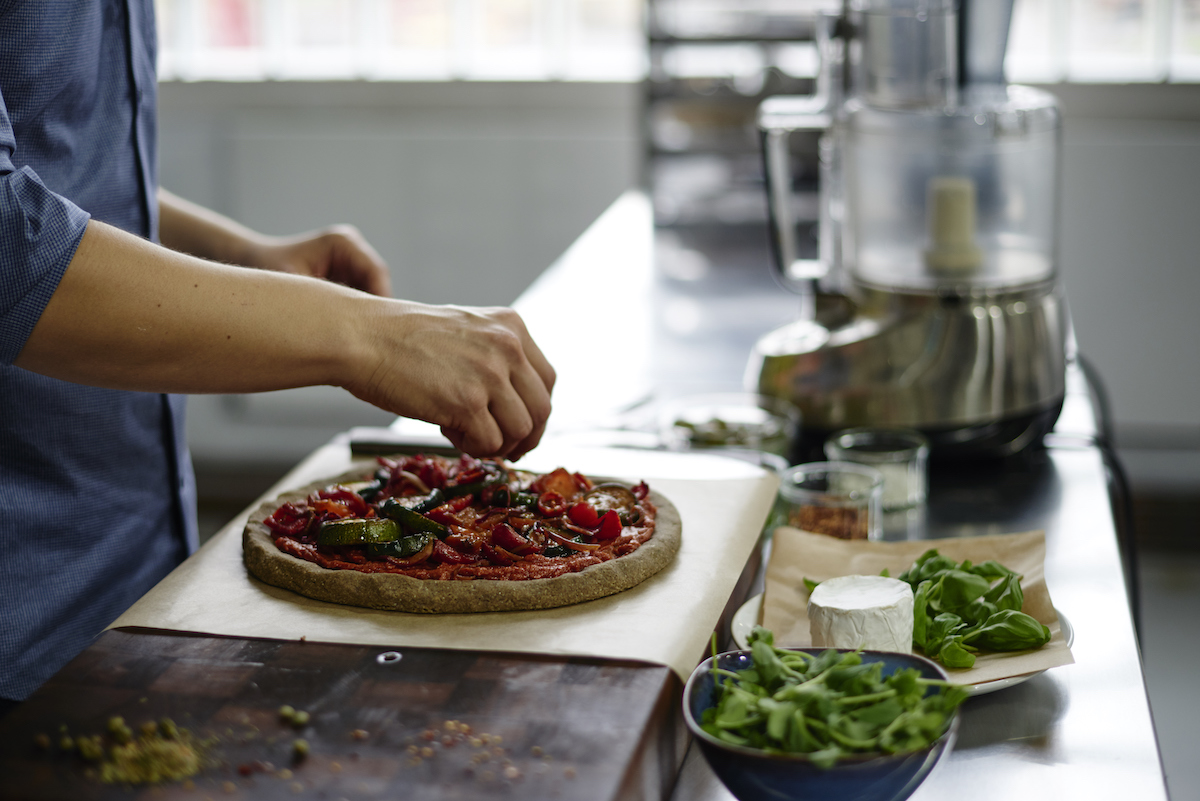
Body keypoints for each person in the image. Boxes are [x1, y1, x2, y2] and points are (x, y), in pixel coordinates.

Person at [0, 3, 554, 709]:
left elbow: (59, 158)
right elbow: (9, 250)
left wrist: (239, 254)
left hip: (130, 564)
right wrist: (373, 338)